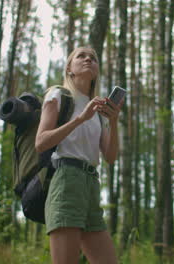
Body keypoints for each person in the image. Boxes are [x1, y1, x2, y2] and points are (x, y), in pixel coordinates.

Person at [35, 47, 121, 264]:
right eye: (81, 56)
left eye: (93, 58)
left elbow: (110, 157)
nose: (88, 59)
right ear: (69, 68)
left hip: (91, 185)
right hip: (66, 180)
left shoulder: (99, 111)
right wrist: (80, 118)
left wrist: (113, 120)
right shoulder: (59, 95)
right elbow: (41, 142)